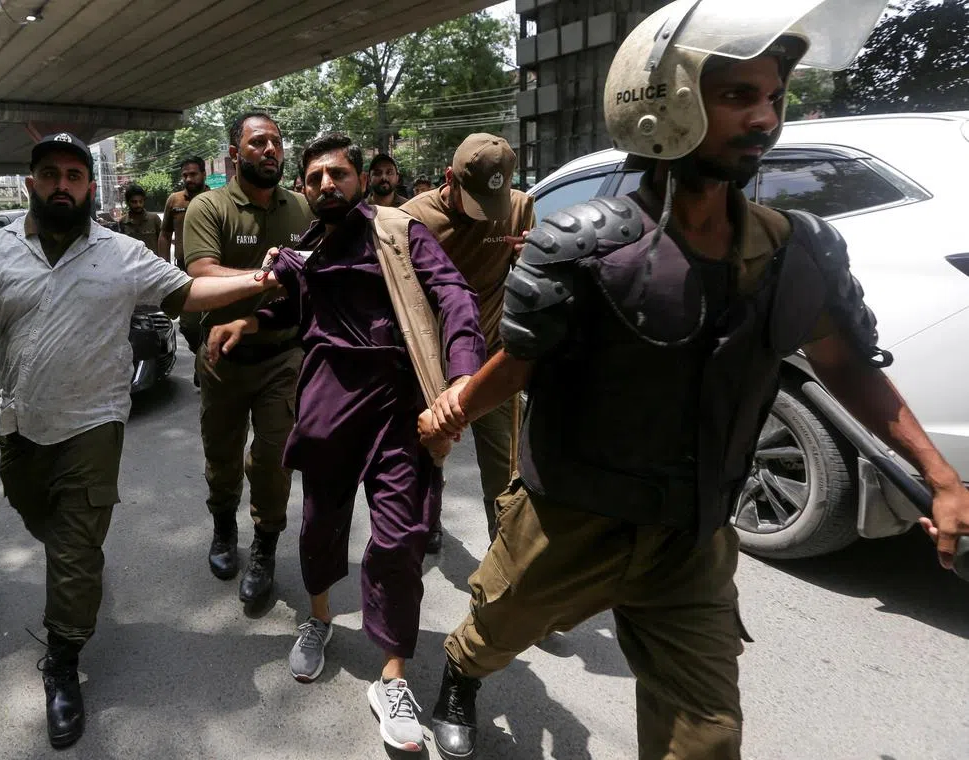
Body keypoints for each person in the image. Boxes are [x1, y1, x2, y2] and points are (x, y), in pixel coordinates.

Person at [420, 2, 969, 758]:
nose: (765, 119)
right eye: (738, 96)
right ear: (665, 104)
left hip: (695, 536)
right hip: (570, 516)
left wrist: (940, 476)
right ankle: (457, 674)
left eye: (773, 97)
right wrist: (450, 411)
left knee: (706, 741)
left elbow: (843, 361)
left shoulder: (796, 251)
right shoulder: (581, 250)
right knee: (498, 628)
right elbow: (519, 366)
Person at [0, 131, 286, 750]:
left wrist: (259, 280)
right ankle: (77, 560)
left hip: (95, 424)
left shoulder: (121, 252)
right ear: (30, 184)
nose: (62, 185)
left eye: (75, 175)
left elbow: (186, 291)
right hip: (21, 425)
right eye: (51, 174)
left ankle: (63, 662)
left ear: (91, 187)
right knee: (37, 515)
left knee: (73, 552)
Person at [206, 133, 483, 752]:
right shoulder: (305, 250)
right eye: (314, 178)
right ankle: (320, 617)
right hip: (329, 403)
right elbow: (288, 314)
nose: (326, 184)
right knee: (321, 524)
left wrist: (462, 375)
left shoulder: (397, 232)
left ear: (359, 179)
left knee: (400, 538)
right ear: (304, 191)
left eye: (338, 174)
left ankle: (392, 678)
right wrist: (244, 320)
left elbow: (454, 295)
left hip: (398, 403)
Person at [182, 112, 314, 604]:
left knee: (274, 459)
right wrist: (264, 276)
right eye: (259, 142)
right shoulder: (208, 207)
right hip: (221, 358)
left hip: (283, 355)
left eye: (277, 142)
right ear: (235, 154)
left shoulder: (302, 208)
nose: (271, 150)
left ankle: (264, 547)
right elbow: (201, 273)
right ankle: (223, 528)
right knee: (222, 455)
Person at [402, 134, 535, 550]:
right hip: (429, 361)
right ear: (448, 178)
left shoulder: (518, 208)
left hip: (490, 358)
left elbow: (531, 281)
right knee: (427, 451)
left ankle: (504, 555)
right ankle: (429, 514)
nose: (484, 218)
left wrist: (536, 257)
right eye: (474, 201)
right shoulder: (411, 218)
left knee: (504, 468)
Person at [159, 156, 208, 355]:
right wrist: (163, 265)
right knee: (188, 325)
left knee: (211, 321)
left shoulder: (215, 198)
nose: (189, 179)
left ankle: (205, 366)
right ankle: (201, 357)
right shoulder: (174, 200)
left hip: (210, 270)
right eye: (185, 175)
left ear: (204, 174)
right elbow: (164, 234)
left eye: (193, 174)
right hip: (183, 271)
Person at [118, 183, 162, 257]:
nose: (138, 205)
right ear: (128, 202)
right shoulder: (123, 222)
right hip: (133, 264)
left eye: (141, 201)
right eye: (134, 202)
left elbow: (163, 241)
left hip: (153, 264)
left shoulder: (154, 219)